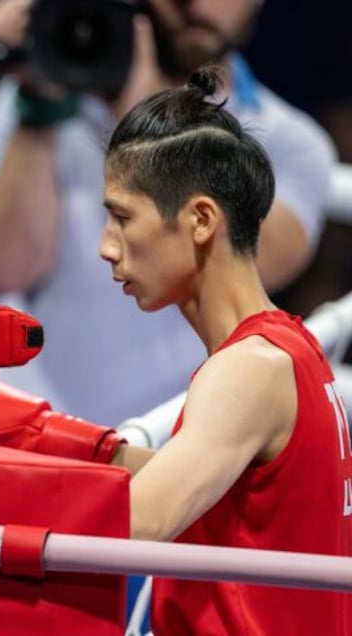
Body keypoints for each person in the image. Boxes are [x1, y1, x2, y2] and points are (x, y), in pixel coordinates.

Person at [0, 0, 337, 425]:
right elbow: (4, 267)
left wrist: (150, 124)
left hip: (191, 442)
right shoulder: (39, 98)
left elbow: (256, 261)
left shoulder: (292, 142)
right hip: (42, 438)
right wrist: (40, 104)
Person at [98, 67, 351, 633]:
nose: (106, 248)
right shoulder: (288, 350)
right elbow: (224, 489)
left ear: (201, 220)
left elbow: (141, 522)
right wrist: (61, 446)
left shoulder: (249, 370)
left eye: (121, 217)